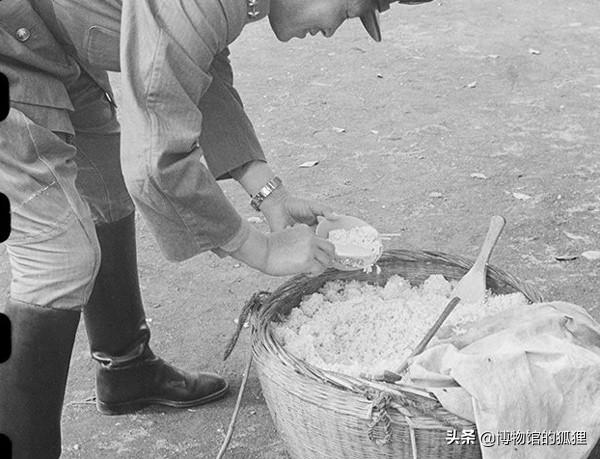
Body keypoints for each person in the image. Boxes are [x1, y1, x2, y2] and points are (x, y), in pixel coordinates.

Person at [0, 0, 432, 457]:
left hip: (58, 40)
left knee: (103, 188)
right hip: (12, 39)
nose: (330, 30)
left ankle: (125, 368)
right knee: (61, 260)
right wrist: (259, 249)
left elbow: (195, 66)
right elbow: (156, 162)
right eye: (346, 11)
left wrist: (271, 194)